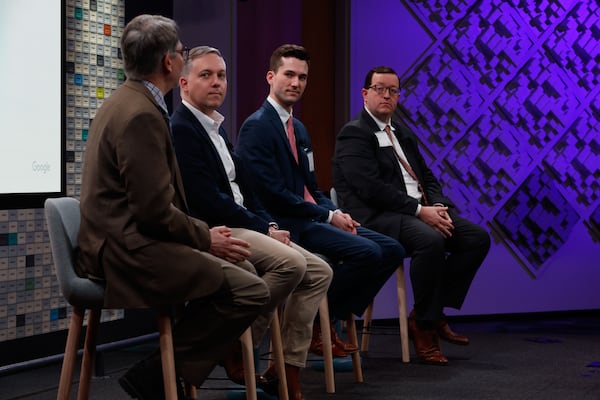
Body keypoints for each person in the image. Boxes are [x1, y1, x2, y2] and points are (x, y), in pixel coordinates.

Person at [76, 15, 270, 400]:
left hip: (128, 238)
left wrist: (203, 238)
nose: (183, 57)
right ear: (169, 63)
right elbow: (152, 211)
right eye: (182, 52)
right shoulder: (140, 115)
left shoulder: (130, 100)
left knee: (244, 268)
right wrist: (205, 239)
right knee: (251, 289)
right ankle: (156, 375)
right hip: (125, 250)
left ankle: (170, 375)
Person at [170, 45, 332, 399]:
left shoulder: (216, 127)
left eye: (221, 75)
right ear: (183, 83)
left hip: (246, 222)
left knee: (320, 270)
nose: (217, 83)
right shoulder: (182, 129)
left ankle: (285, 369)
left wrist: (268, 224)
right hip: (218, 228)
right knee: (290, 264)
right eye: (206, 75)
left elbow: (248, 190)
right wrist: (264, 228)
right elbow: (209, 201)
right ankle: (237, 345)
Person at [236, 45, 405, 340]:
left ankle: (324, 318)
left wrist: (336, 213)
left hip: (313, 217)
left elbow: (312, 187)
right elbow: (273, 194)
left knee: (392, 249)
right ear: (270, 77)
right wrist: (327, 215)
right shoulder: (257, 127)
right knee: (368, 252)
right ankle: (317, 325)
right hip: (288, 223)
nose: (295, 83)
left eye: (302, 77)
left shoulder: (298, 128)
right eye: (289, 75)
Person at [333, 65, 491, 365]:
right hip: (378, 216)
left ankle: (427, 314)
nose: (387, 95)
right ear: (365, 94)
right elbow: (371, 189)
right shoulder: (354, 134)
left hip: (417, 212)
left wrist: (440, 207)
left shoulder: (402, 133)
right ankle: (427, 327)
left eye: (393, 91)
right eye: (380, 89)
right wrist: (420, 211)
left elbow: (427, 178)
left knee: (476, 238)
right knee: (430, 240)